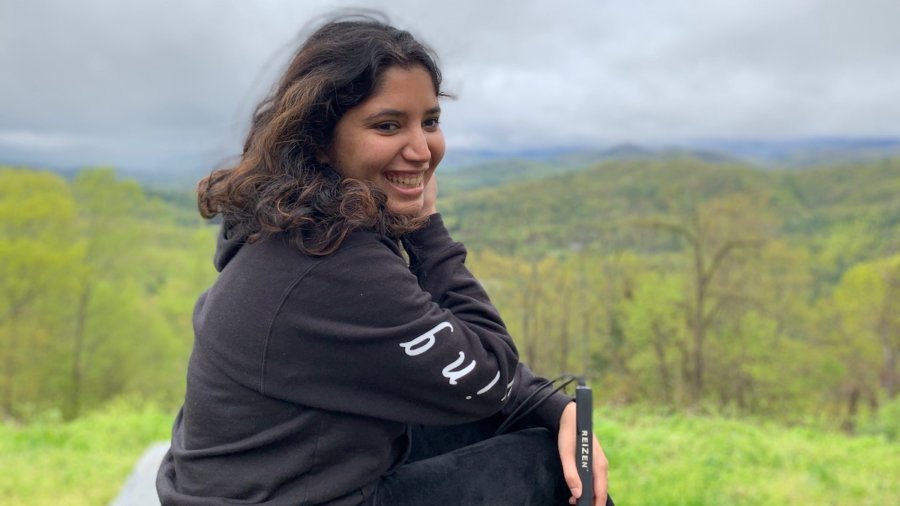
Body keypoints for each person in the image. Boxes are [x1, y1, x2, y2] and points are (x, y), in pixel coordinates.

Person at [157, 13, 611, 506]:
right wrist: (425, 227)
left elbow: (443, 354)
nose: (421, 150)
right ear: (321, 139)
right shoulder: (329, 263)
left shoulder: (295, 228)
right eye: (388, 125)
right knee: (550, 464)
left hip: (276, 481)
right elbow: (489, 378)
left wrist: (552, 405)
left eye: (430, 121)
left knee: (515, 424)